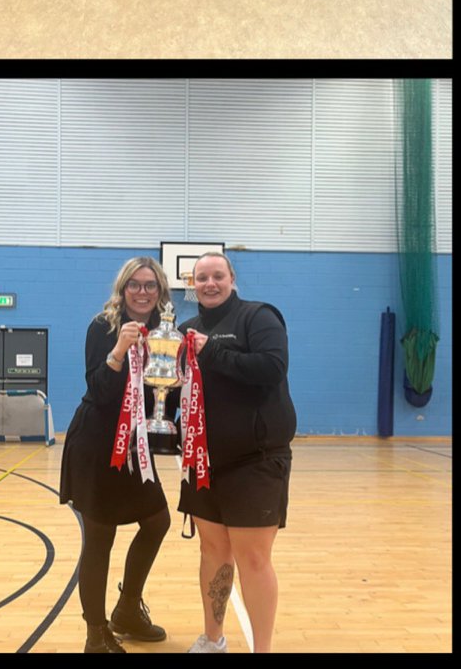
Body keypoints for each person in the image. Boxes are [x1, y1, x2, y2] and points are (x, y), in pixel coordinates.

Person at [178, 253, 297, 654]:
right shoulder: (184, 330)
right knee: (212, 551)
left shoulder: (258, 317)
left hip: (256, 461)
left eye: (217, 276)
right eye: (201, 278)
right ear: (190, 284)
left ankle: (261, 649)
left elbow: (271, 368)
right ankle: (213, 640)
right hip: (204, 461)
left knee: (254, 559)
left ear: (232, 278)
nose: (209, 284)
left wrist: (212, 352)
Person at [58, 257, 173, 653]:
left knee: (157, 521)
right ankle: (96, 633)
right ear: (122, 289)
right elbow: (100, 390)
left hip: (136, 446)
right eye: (134, 285)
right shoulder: (103, 327)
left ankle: (126, 609)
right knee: (100, 537)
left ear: (161, 291)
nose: (142, 292)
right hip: (98, 442)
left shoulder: (167, 332)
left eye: (150, 285)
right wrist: (120, 349)